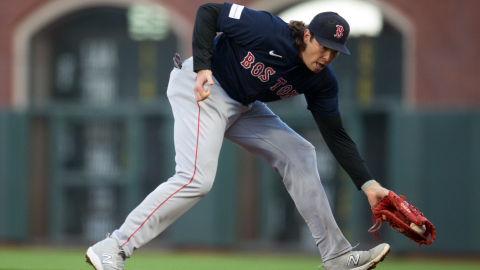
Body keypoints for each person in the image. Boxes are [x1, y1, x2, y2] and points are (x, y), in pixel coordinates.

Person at [86, 3, 392, 270]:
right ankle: (114, 246)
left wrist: (368, 184)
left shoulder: (322, 81)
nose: (327, 56)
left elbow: (336, 135)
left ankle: (336, 257)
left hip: (243, 106)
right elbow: (209, 12)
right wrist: (203, 66)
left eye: (335, 51)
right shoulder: (269, 31)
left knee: (300, 153)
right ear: (308, 35)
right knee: (196, 179)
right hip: (204, 87)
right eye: (323, 46)